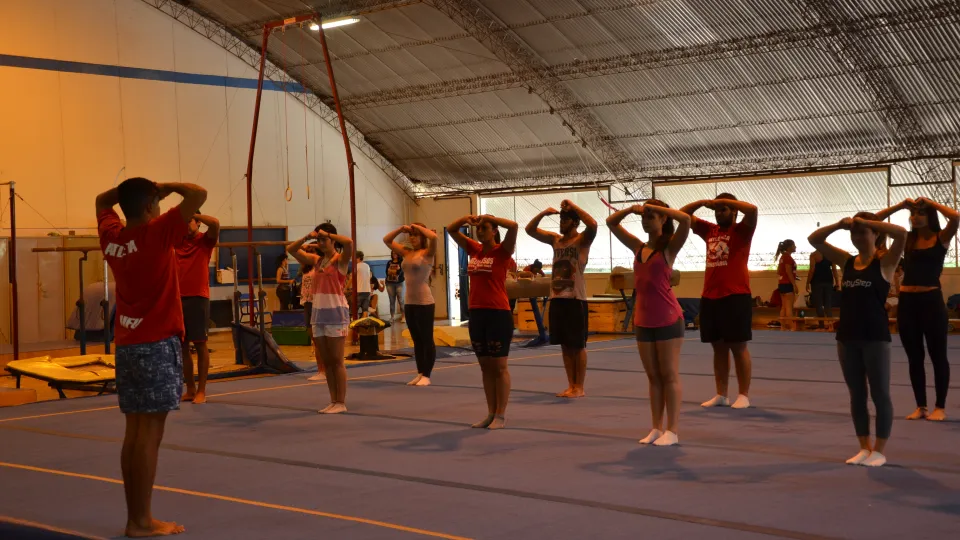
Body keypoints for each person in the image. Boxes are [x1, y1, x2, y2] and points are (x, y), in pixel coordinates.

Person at [97, 178, 206, 537]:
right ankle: (141, 521)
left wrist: (137, 190)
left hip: (127, 345)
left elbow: (101, 200)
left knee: (134, 432)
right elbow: (198, 194)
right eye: (156, 203)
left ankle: (136, 517)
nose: (160, 208)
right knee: (150, 435)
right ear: (149, 208)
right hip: (157, 344)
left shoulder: (112, 237)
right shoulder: (156, 233)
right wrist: (163, 185)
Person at [809, 213, 907, 467]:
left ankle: (879, 450)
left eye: (863, 232)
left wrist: (868, 222)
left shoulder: (886, 262)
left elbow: (901, 234)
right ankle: (864, 447)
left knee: (880, 393)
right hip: (847, 337)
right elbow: (814, 239)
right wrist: (839, 225)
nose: (857, 237)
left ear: (875, 234)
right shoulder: (847, 261)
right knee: (857, 394)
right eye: (854, 233)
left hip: (875, 337)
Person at [608, 200, 691, 446]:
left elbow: (686, 220)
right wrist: (631, 209)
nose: (645, 221)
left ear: (663, 219)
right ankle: (656, 427)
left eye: (650, 217)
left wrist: (660, 209)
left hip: (668, 318)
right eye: (643, 217)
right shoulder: (638, 247)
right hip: (643, 320)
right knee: (653, 377)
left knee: (668, 375)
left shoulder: (670, 247)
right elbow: (611, 223)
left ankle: (672, 430)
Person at [875, 197, 958, 421]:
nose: (915, 217)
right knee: (914, 357)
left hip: (931, 301)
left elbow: (955, 217)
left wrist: (931, 203)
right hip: (907, 303)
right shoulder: (906, 238)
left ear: (930, 216)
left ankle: (939, 407)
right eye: (912, 213)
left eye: (921, 213)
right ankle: (921, 406)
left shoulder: (940, 238)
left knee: (938, 356)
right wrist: (900, 206)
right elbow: (874, 220)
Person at [680, 194, 758, 409]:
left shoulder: (742, 230)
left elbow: (752, 209)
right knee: (718, 348)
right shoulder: (709, 230)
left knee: (738, 347)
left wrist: (726, 202)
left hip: (735, 295)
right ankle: (721, 394)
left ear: (734, 212)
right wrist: (701, 202)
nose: (719, 213)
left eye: (723, 209)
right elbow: (682, 215)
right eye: (717, 210)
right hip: (710, 296)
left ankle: (743, 394)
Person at [447, 214, 518, 429]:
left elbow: (514, 226)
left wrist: (489, 216)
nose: (480, 231)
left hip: (498, 313)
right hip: (477, 313)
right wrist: (465, 219)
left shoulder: (502, 251)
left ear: (494, 231)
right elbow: (451, 229)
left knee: (499, 366)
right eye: (478, 228)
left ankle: (501, 415)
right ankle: (490, 413)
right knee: (485, 367)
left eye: (485, 227)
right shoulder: (475, 250)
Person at [526, 199, 598, 398]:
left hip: (575, 298)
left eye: (565, 220)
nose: (561, 223)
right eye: (560, 219)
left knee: (577, 345)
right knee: (565, 345)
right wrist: (543, 213)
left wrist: (574, 207)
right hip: (557, 298)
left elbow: (593, 224)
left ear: (575, 222)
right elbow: (529, 230)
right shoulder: (555, 240)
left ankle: (579, 386)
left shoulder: (582, 240)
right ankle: (570, 385)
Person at [287, 223, 354, 414]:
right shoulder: (316, 261)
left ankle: (341, 402)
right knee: (327, 362)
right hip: (318, 315)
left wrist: (328, 234)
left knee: (337, 360)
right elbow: (291, 249)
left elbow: (349, 242)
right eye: (319, 240)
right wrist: (307, 238)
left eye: (324, 240)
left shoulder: (340, 260)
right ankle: (333, 400)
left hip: (336, 315)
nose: (321, 243)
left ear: (332, 240)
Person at [384, 223, 438, 386]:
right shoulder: (406, 252)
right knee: (417, 340)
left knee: (426, 339)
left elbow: (434, 237)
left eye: (416, 235)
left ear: (422, 236)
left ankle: (427, 375)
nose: (412, 238)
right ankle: (420, 372)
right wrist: (401, 229)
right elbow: (387, 240)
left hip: (424, 302)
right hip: (410, 302)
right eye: (411, 235)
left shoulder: (428, 253)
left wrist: (417, 227)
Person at [175, 213, 220, 405]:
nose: (185, 225)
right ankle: (190, 389)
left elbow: (215, 223)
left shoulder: (205, 241)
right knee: (183, 346)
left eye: (189, 221)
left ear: (198, 222)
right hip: (177, 298)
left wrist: (192, 211)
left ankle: (202, 390)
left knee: (200, 344)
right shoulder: (177, 242)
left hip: (198, 298)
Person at [806, 250, 840, 330]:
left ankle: (821, 325)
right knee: (828, 304)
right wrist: (837, 282)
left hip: (817, 282)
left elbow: (812, 270)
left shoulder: (814, 255)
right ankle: (830, 325)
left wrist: (807, 282)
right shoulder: (831, 254)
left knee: (819, 304)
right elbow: (834, 269)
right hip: (828, 281)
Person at [775, 239, 798, 330]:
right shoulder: (788, 257)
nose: (795, 247)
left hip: (782, 284)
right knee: (789, 307)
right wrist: (794, 284)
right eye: (794, 245)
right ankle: (791, 326)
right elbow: (788, 271)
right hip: (787, 284)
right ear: (789, 247)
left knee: (784, 306)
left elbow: (779, 271)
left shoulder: (782, 257)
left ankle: (783, 327)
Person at [384, 251, 405, 322]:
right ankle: (392, 317)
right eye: (393, 253)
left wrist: (396, 270)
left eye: (395, 253)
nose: (394, 255)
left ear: (398, 254)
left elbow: (401, 272)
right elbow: (387, 273)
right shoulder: (389, 262)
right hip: (390, 283)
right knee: (392, 300)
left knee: (401, 300)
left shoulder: (402, 262)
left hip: (399, 283)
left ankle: (403, 316)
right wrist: (392, 271)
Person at [354, 251, 372, 318]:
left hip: (360, 290)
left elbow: (351, 278)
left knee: (354, 309)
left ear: (358, 258)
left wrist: (346, 287)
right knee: (365, 309)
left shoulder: (356, 266)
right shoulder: (367, 266)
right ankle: (364, 324)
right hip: (367, 290)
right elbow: (370, 276)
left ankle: (355, 323)